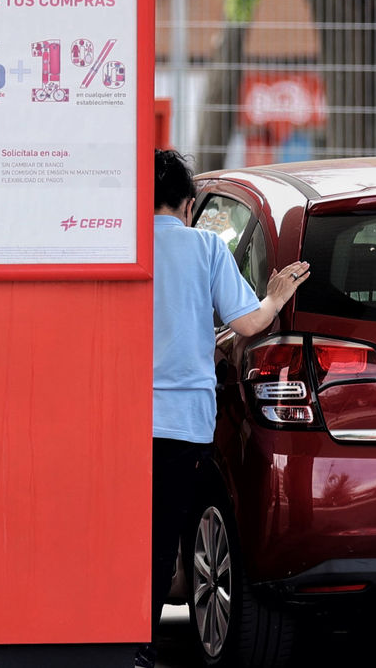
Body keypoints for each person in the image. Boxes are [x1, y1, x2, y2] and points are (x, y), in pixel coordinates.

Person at [139, 150, 309, 668]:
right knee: (163, 534)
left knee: (126, 530)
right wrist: (277, 296)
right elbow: (250, 324)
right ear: (188, 205)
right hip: (183, 423)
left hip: (126, 418)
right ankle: (142, 644)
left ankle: (116, 636)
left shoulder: (126, 248)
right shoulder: (205, 247)